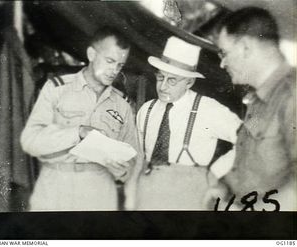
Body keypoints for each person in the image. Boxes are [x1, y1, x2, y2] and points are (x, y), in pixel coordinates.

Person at [20, 27, 139, 211]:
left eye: (120, 65)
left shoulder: (122, 105)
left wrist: (122, 170)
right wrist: (78, 132)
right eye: (110, 61)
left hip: (99, 191)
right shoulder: (56, 89)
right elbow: (29, 141)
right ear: (91, 54)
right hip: (55, 188)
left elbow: (132, 158)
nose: (114, 70)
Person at [133, 36, 242, 210]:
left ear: (189, 82)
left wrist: (216, 171)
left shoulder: (209, 109)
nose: (163, 87)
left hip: (190, 193)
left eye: (172, 80)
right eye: (161, 78)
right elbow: (139, 157)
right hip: (149, 192)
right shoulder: (146, 110)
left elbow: (249, 140)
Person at [208, 7, 296, 211]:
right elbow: (252, 162)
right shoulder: (257, 99)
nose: (222, 64)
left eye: (225, 53)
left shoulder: (292, 97)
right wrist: (223, 187)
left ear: (245, 48)